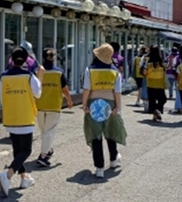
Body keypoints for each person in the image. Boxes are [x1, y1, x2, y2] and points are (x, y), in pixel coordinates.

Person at [0, 47, 42, 196]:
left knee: (17, 149)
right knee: (26, 150)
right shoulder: (29, 76)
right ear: (26, 59)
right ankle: (7, 175)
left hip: (10, 117)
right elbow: (38, 93)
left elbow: (2, 97)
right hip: (25, 116)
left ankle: (24, 178)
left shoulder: (3, 77)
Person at [82, 43, 126, 178]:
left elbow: (86, 89)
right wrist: (118, 108)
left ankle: (99, 167)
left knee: (96, 135)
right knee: (110, 132)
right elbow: (117, 92)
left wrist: (84, 105)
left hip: (93, 103)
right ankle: (113, 159)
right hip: (110, 103)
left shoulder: (90, 69)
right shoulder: (115, 71)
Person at [35, 47, 73, 167]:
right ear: (54, 58)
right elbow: (64, 88)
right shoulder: (59, 72)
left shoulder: (38, 72)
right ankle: (43, 155)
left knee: (44, 130)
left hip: (39, 104)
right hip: (54, 105)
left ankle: (48, 150)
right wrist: (69, 100)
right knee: (48, 131)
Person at [142, 44, 167, 121]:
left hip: (150, 83)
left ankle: (155, 112)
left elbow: (144, 72)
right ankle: (157, 110)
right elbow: (165, 70)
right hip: (160, 84)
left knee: (152, 100)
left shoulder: (147, 62)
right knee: (162, 99)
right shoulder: (161, 62)